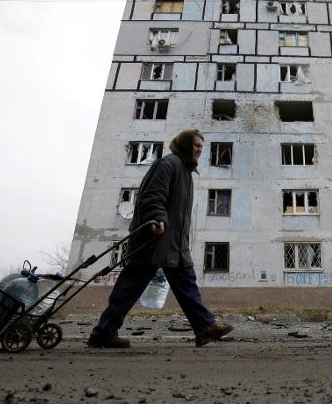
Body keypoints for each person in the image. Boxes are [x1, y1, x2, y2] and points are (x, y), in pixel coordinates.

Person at [88, 129, 233, 348]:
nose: (200, 150)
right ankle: (104, 332)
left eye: (202, 147)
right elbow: (153, 195)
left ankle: (204, 327)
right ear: (185, 145)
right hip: (154, 239)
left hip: (174, 241)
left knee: (185, 282)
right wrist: (157, 216)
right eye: (196, 146)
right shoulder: (168, 165)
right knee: (130, 287)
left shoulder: (184, 171)